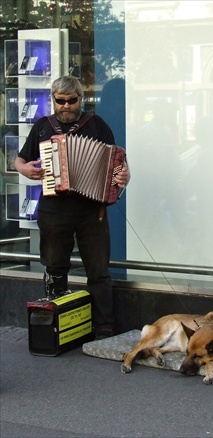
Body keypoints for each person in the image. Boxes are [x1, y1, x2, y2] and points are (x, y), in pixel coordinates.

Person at [15, 75, 130, 339]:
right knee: (55, 267)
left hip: (92, 211)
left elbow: (118, 161)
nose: (66, 106)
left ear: (81, 99)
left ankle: (104, 327)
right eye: (60, 101)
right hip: (53, 211)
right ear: (53, 100)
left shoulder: (96, 125)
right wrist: (25, 170)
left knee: (99, 270)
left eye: (72, 101)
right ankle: (59, 326)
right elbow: (20, 160)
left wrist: (124, 176)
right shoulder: (43, 127)